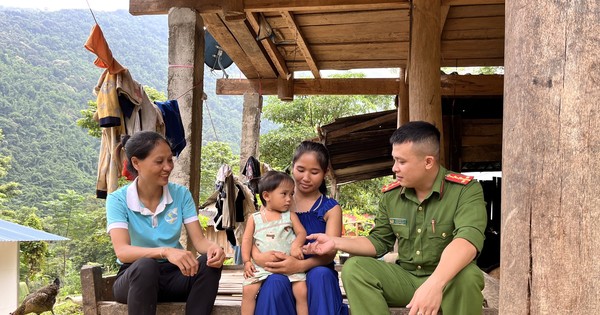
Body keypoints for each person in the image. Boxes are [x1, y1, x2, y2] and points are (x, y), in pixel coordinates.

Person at [303, 121, 488, 315]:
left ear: (428, 162)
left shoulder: (465, 190)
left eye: (402, 161)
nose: (394, 168)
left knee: (468, 276)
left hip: (448, 281)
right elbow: (378, 242)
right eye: (394, 160)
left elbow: (467, 241)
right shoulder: (391, 196)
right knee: (355, 268)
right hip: (406, 279)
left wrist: (435, 284)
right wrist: (334, 242)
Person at [105, 131, 226, 315]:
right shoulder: (118, 200)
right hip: (135, 279)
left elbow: (200, 242)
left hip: (174, 277)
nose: (168, 167)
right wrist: (165, 251)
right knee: (146, 266)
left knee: (209, 265)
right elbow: (122, 251)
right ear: (136, 163)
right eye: (159, 161)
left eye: (170, 160)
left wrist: (213, 249)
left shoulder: (181, 194)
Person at [251, 141, 348, 315]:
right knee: (274, 281)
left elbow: (329, 254)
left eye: (315, 172)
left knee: (320, 275)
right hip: (279, 272)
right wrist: (258, 257)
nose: (306, 178)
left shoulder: (330, 208)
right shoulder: (273, 202)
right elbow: (254, 236)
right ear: (293, 166)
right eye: (300, 170)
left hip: (317, 274)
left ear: (325, 173)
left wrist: (299, 265)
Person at [241, 170, 308, 315]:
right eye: (284, 194)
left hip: (290, 265)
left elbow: (302, 233)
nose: (289, 199)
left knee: (302, 292)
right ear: (266, 196)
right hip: (261, 266)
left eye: (291, 194)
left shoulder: (290, 216)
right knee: (248, 291)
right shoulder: (255, 218)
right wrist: (247, 261)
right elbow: (247, 240)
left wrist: (296, 245)